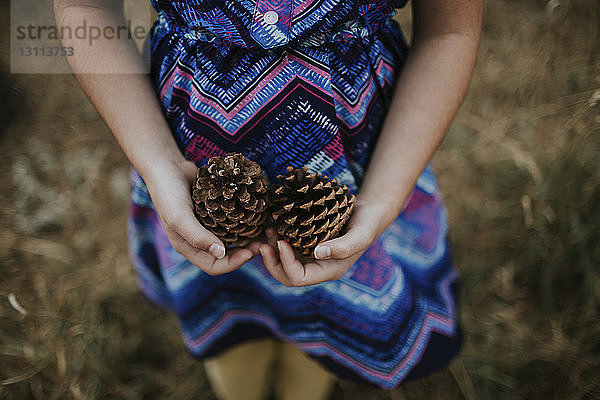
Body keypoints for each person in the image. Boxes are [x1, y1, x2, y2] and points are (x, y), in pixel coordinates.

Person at [54, 0, 483, 398]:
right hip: (191, 167)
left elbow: (449, 32)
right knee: (233, 329)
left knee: (322, 320)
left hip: (369, 166)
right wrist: (158, 162)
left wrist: (381, 201)